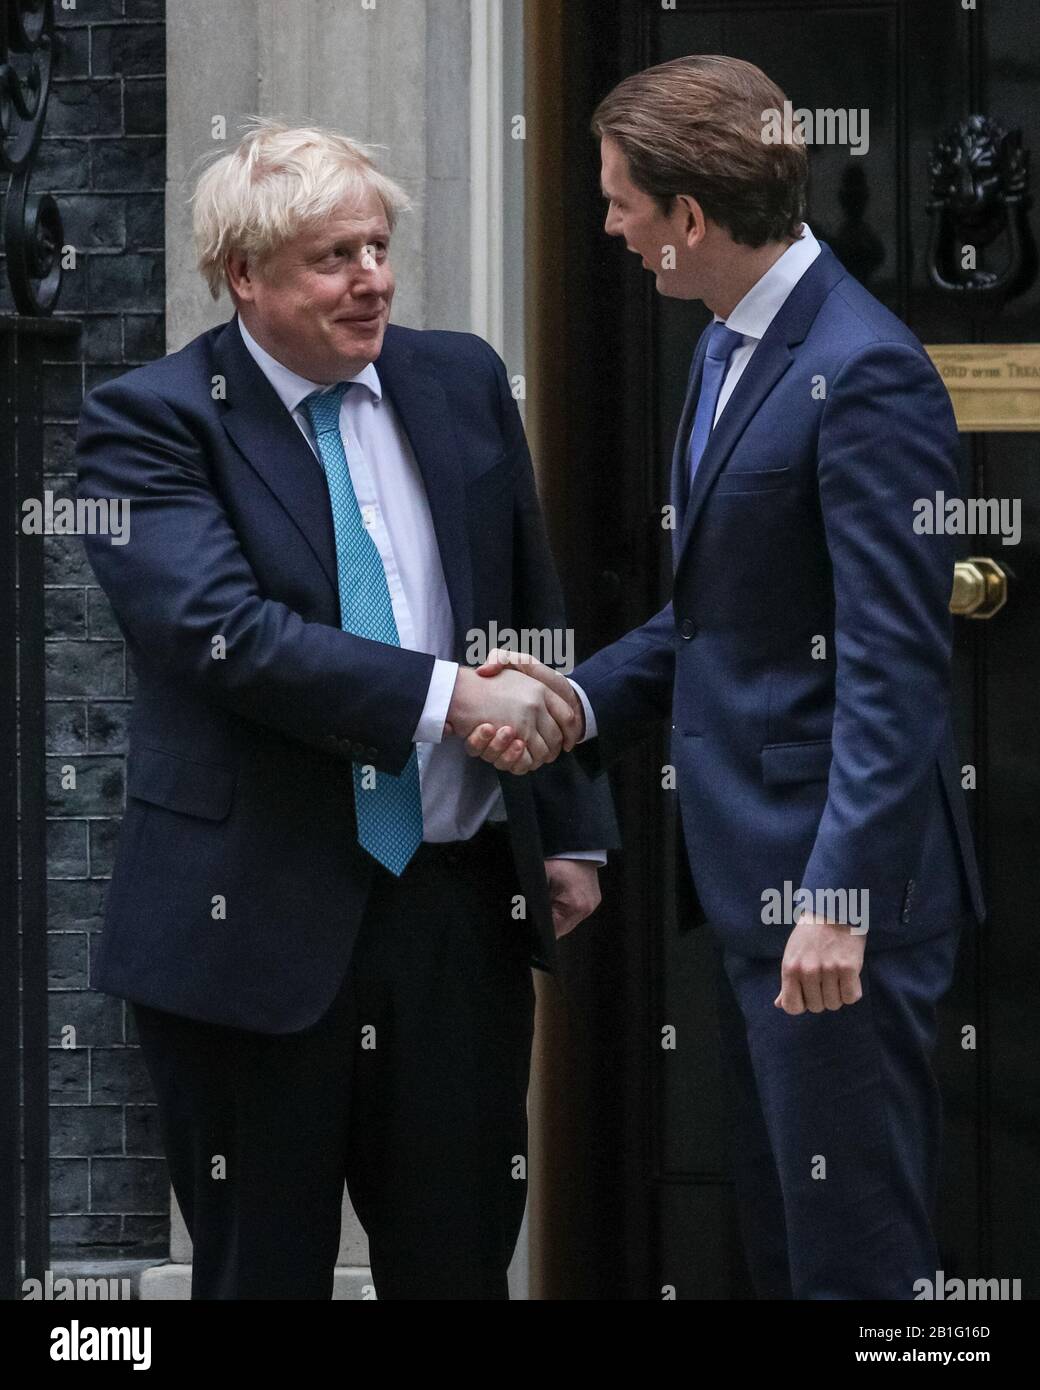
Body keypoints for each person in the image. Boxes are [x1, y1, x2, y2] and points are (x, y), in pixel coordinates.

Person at [465, 55, 985, 1300]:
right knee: (781, 1240)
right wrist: (572, 698)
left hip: (832, 902)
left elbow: (892, 663)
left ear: (687, 218)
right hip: (758, 886)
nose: (606, 225)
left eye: (618, 202)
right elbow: (717, 619)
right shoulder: (721, 349)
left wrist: (838, 898)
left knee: (853, 1262)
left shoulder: (864, 370)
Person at [75, 118, 616, 1300]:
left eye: (377, 247)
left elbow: (526, 594)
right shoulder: (149, 423)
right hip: (249, 918)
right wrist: (446, 698)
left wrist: (566, 819)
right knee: (258, 1272)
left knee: (458, 1260)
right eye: (331, 258)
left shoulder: (460, 376)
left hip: (454, 905)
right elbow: (227, 638)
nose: (370, 278)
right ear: (243, 276)